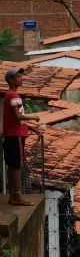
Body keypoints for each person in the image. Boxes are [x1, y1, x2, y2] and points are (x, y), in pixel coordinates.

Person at [3, 68, 39, 206]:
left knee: (13, 165)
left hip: (13, 134)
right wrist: (34, 117)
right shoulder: (14, 96)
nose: (21, 78)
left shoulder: (10, 95)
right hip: (15, 135)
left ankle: (13, 195)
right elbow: (18, 116)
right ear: (11, 80)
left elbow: (14, 119)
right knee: (17, 165)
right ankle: (17, 196)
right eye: (18, 76)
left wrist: (30, 127)